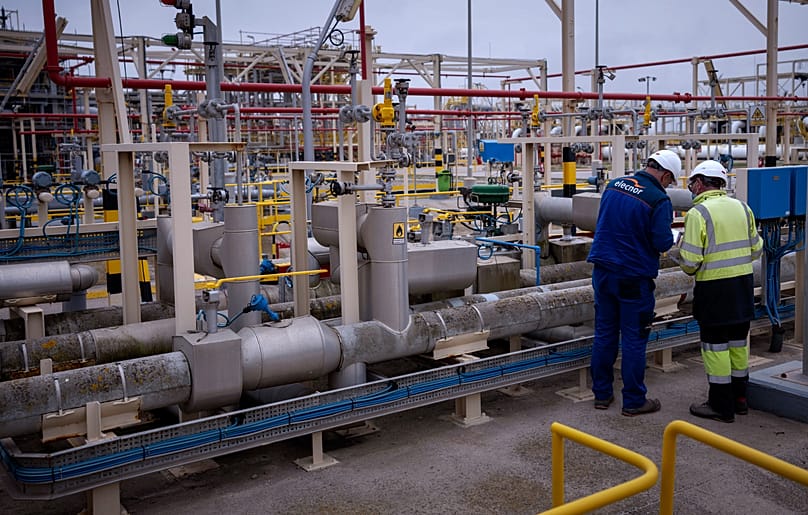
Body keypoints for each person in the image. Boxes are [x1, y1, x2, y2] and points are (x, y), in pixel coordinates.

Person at [587, 149, 682, 416]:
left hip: (602, 271)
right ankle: (633, 401)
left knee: (605, 334)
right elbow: (662, 242)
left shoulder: (614, 185)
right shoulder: (658, 200)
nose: (668, 186)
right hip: (633, 277)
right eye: (670, 181)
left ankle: (602, 395)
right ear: (664, 175)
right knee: (633, 338)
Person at [676, 160, 763, 423]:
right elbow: (756, 249)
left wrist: (677, 252)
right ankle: (740, 400)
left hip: (714, 291)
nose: (691, 188)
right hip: (743, 286)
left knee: (715, 349)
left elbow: (690, 264)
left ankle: (720, 406)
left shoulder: (697, 213)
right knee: (738, 345)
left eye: (692, 183)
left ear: (701, 183)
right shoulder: (742, 208)